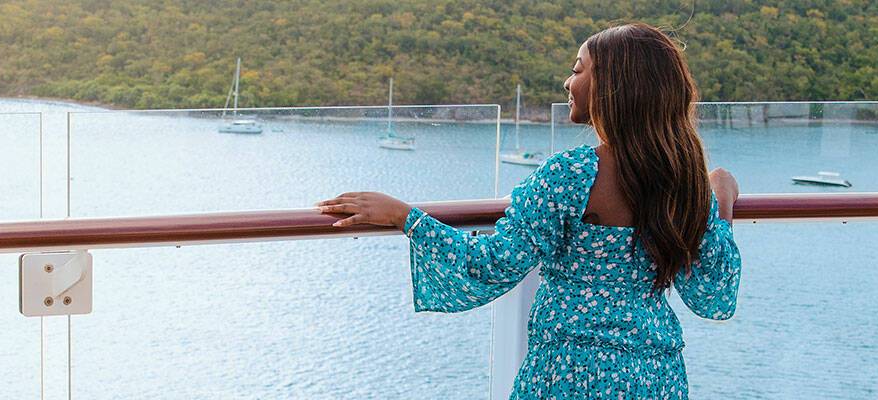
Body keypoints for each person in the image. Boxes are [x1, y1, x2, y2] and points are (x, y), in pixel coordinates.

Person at [316, 22, 742, 399]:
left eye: (578, 70)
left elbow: (492, 264)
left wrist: (405, 217)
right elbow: (713, 296)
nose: (567, 82)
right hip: (655, 378)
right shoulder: (682, 183)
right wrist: (718, 201)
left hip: (568, 375)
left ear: (613, 85)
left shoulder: (571, 176)